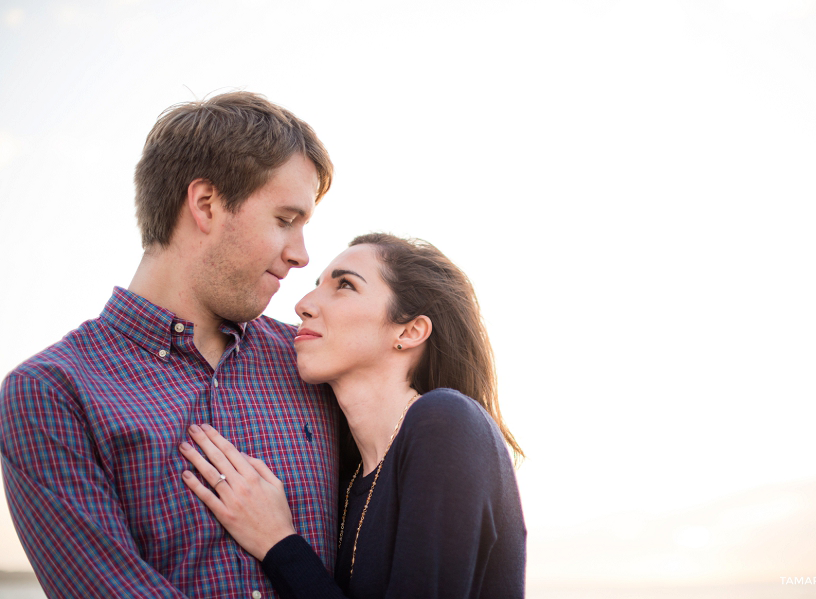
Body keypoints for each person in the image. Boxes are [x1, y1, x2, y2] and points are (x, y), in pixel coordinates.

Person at [0, 91, 339, 598]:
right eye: (285, 220)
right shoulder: (51, 392)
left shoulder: (313, 360)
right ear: (206, 204)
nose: (302, 255)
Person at [179, 233, 527, 598]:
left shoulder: (446, 422)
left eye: (344, 285)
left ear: (409, 331)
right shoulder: (346, 480)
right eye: (317, 286)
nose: (303, 305)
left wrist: (278, 542)